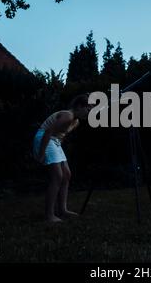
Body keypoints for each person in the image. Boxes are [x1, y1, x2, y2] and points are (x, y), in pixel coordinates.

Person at [33, 94, 91, 222]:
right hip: (44, 138)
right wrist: (41, 153)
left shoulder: (76, 122)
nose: (89, 112)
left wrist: (59, 151)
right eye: (87, 109)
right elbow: (48, 131)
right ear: (79, 107)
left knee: (67, 174)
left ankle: (62, 209)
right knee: (57, 176)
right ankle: (49, 215)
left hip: (55, 141)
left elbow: (60, 135)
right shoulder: (68, 115)